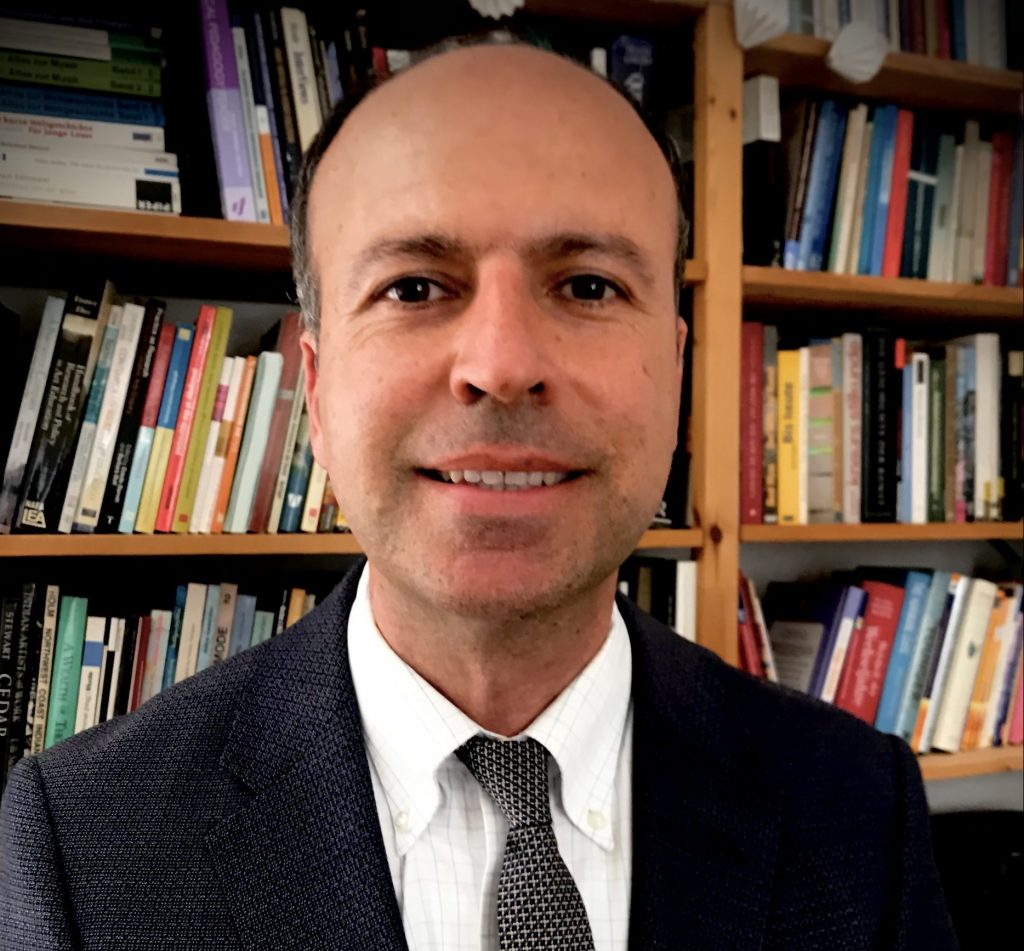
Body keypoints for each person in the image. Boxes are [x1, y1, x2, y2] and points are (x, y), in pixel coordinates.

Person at [1, 40, 958, 951]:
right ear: (317, 393)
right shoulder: (84, 846)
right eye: (415, 288)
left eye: (588, 286)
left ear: (675, 375)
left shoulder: (857, 807)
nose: (501, 366)